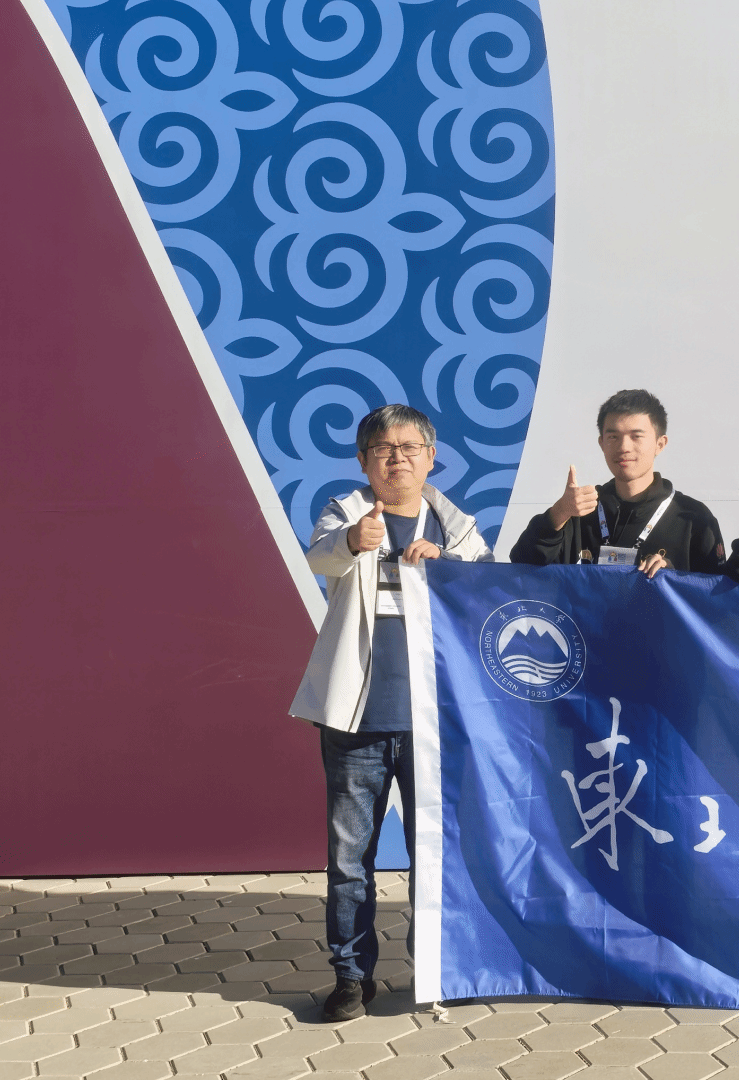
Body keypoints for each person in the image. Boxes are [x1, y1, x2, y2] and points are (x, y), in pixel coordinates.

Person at [288, 403, 494, 1022]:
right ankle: (353, 977)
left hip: (436, 721)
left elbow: (489, 592)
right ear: (363, 460)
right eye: (383, 449)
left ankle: (435, 968)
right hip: (357, 722)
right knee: (350, 858)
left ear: (431, 457)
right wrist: (355, 541)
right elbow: (321, 558)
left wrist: (449, 567)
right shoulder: (346, 514)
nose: (396, 458)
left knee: (437, 853)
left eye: (409, 447)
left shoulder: (457, 528)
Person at [510, 388, 739, 580]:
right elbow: (521, 566)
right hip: (584, 635)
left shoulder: (693, 517)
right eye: (613, 437)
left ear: (660, 444)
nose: (624, 447)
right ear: (601, 443)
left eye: (636, 436)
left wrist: (674, 577)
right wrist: (558, 513)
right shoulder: (579, 511)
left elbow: (717, 598)